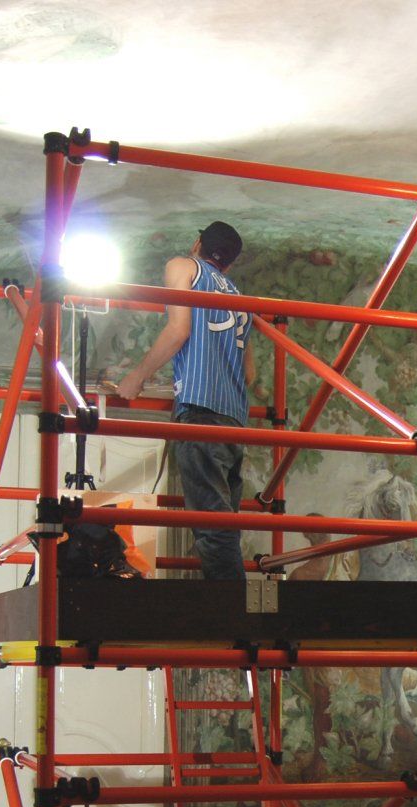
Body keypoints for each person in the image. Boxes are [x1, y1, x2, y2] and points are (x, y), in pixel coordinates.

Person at [110, 222, 257, 580]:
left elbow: (179, 330)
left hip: (202, 411)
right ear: (230, 264)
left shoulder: (184, 267)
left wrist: (138, 376)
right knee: (222, 525)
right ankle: (237, 618)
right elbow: (249, 374)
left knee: (211, 527)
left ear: (198, 243)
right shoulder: (241, 299)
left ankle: (233, 620)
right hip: (234, 419)